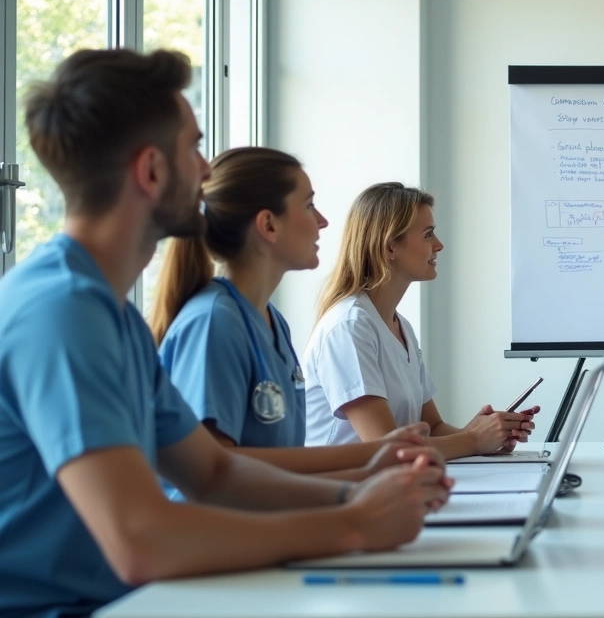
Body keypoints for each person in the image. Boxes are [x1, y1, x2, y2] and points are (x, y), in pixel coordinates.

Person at [0, 49, 450, 618]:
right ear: (151, 171)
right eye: (194, 147)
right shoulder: (61, 312)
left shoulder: (108, 314)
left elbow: (214, 471)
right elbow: (140, 538)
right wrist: (352, 522)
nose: (208, 170)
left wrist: (358, 494)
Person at [149, 147, 429, 496]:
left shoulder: (273, 323)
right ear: (268, 224)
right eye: (309, 206)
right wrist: (363, 476)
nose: (323, 221)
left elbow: (277, 466)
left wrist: (372, 476)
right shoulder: (212, 324)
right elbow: (217, 473)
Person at [304, 183, 537, 458]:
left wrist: (489, 435)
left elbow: (433, 428)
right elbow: (388, 448)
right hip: (343, 491)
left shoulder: (400, 326)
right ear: (390, 246)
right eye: (428, 235)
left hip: (386, 485)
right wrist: (473, 440)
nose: (439, 245)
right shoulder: (349, 327)